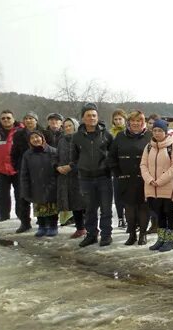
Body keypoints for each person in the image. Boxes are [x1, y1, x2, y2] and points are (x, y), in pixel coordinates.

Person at [71, 103, 114, 247]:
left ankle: (106, 235)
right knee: (89, 209)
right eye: (88, 115)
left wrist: (107, 165)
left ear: (98, 117)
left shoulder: (106, 135)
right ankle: (91, 235)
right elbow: (74, 157)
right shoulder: (77, 137)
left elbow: (113, 155)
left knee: (106, 208)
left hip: (104, 177)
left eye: (94, 115)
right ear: (83, 118)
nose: (91, 118)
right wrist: (81, 167)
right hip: (86, 179)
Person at [107, 110, 150, 245]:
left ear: (143, 122)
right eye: (133, 120)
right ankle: (132, 234)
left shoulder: (149, 136)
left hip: (145, 179)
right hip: (125, 179)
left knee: (143, 207)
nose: (136, 123)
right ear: (128, 122)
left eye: (139, 121)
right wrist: (118, 173)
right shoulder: (120, 136)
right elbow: (111, 157)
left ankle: (143, 234)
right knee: (129, 208)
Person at [140, 118, 173, 252]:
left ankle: (169, 240)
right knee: (159, 214)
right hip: (152, 187)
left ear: (165, 132)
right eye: (155, 130)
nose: (157, 133)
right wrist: (149, 179)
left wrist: (161, 180)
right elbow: (143, 165)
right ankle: (161, 238)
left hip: (167, 188)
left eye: (160, 131)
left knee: (169, 213)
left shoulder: (172, 146)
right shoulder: (149, 147)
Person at [19, 130, 59, 237]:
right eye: (32, 138)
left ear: (42, 138)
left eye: (37, 137)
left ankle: (53, 226)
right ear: (29, 141)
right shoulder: (27, 155)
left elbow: (58, 170)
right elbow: (24, 173)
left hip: (51, 184)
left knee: (52, 208)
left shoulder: (53, 152)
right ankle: (42, 226)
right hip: (35, 185)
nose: (35, 140)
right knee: (39, 208)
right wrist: (25, 189)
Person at [10, 111, 41, 232]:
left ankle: (43, 220)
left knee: (42, 196)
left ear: (36, 121)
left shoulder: (44, 133)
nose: (28, 121)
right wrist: (16, 166)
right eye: (26, 118)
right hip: (23, 169)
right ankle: (25, 222)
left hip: (40, 169)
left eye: (31, 118)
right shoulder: (18, 135)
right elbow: (14, 152)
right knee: (22, 196)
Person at [55, 117, 86, 239]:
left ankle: (90, 227)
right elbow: (56, 156)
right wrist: (57, 166)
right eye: (66, 126)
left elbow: (84, 156)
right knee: (73, 203)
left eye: (70, 126)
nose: (68, 128)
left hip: (79, 175)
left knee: (84, 203)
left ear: (75, 126)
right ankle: (80, 228)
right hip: (66, 177)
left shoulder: (81, 139)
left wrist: (71, 166)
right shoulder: (61, 140)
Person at [110, 108, 128, 228]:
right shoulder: (110, 133)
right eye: (115, 119)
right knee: (118, 194)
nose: (118, 121)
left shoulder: (129, 132)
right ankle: (120, 217)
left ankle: (129, 216)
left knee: (129, 194)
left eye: (120, 119)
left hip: (128, 167)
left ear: (125, 120)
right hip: (116, 168)